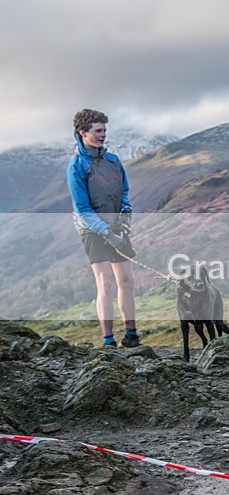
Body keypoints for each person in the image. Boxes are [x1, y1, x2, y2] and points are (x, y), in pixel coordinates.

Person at [66, 109, 140, 349]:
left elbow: (124, 190)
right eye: (98, 131)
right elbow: (82, 207)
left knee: (127, 280)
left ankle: (131, 335)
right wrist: (105, 232)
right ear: (83, 132)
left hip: (117, 225)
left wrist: (125, 216)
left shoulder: (113, 161)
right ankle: (108, 340)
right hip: (91, 229)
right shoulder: (76, 166)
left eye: (105, 130)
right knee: (105, 283)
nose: (103, 135)